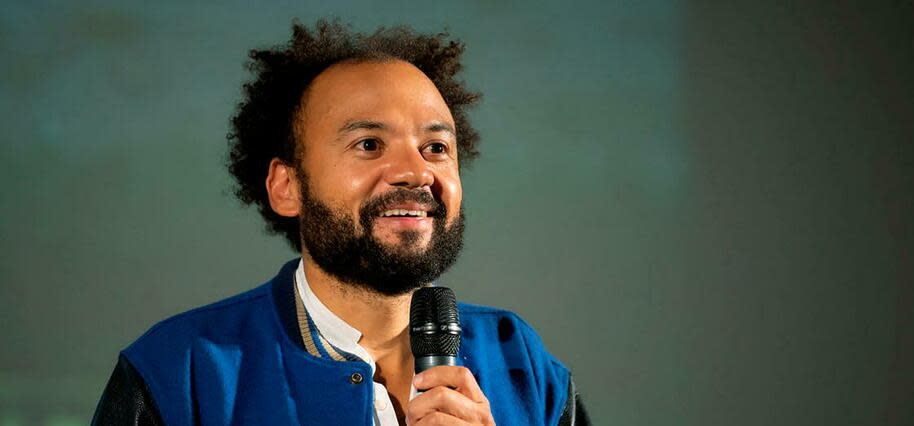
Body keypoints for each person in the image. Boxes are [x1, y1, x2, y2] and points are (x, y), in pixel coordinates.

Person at [93, 19, 589, 426]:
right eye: (369, 144)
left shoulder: (523, 361)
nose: (416, 171)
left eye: (435, 148)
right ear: (287, 187)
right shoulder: (180, 371)